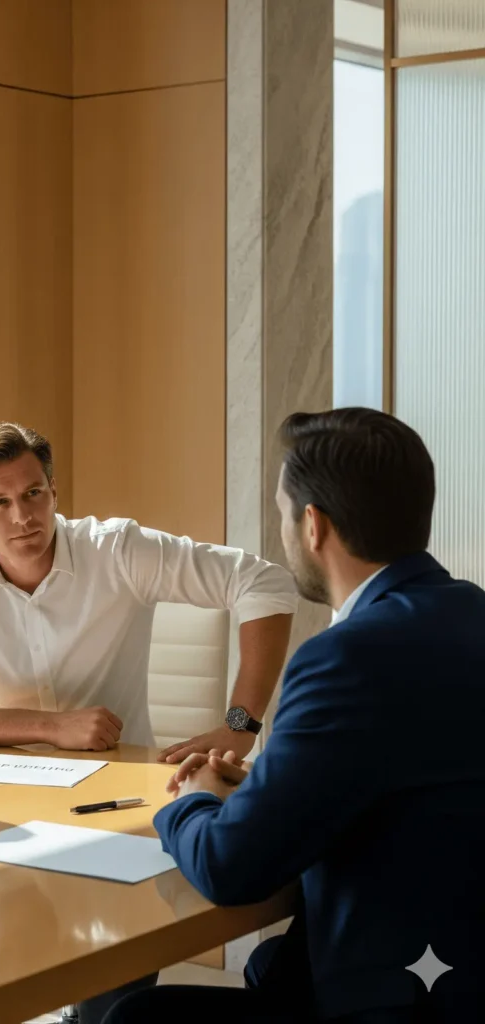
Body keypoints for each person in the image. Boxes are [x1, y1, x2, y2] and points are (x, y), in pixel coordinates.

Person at [104, 409, 485, 1023]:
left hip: (386, 998)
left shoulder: (344, 658)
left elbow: (230, 869)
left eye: (282, 513)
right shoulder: (470, 614)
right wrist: (267, 785)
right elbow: (411, 783)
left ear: (313, 526)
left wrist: (191, 799)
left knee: (138, 1017)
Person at [0, 423, 298, 764]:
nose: (22, 517)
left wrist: (240, 727)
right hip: (5, 779)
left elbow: (265, 582)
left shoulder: (117, 550)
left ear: (54, 490)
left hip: (120, 778)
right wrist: (49, 727)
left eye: (33, 493)